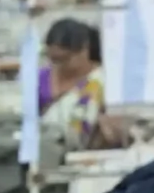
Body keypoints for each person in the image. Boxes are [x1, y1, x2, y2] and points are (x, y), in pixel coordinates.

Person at [38, 17, 116, 149]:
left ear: (84, 50)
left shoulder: (103, 80)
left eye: (64, 59)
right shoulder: (41, 79)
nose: (58, 65)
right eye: (53, 59)